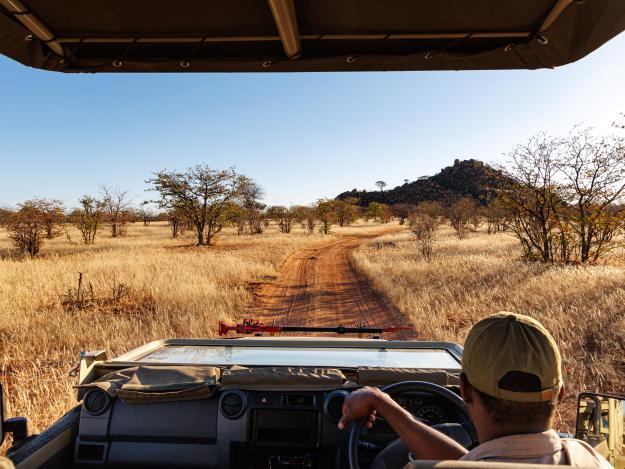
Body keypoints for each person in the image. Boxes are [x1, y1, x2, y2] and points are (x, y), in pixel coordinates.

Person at [338, 312, 613, 467]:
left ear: (465, 391)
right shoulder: (591, 459)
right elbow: (473, 462)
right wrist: (383, 402)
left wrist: (379, 400)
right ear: (560, 394)